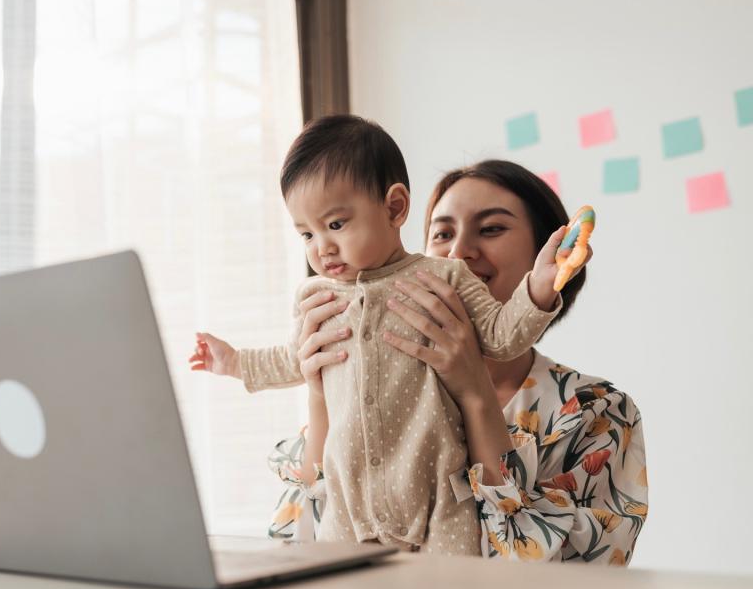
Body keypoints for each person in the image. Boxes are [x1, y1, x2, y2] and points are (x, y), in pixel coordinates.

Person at [190, 117, 578, 555]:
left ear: (395, 209)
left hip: (439, 501)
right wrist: (234, 362)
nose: (321, 247)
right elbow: (291, 361)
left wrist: (540, 287)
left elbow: (503, 335)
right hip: (347, 509)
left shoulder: (444, 277)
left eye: (335, 225)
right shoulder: (315, 299)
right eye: (306, 234)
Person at [265, 159, 647, 564]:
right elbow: (295, 544)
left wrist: (475, 393)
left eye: (491, 229)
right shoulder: (370, 398)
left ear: (545, 257)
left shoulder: (595, 411)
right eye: (442, 233)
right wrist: (320, 396)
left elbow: (567, 579)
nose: (459, 253)